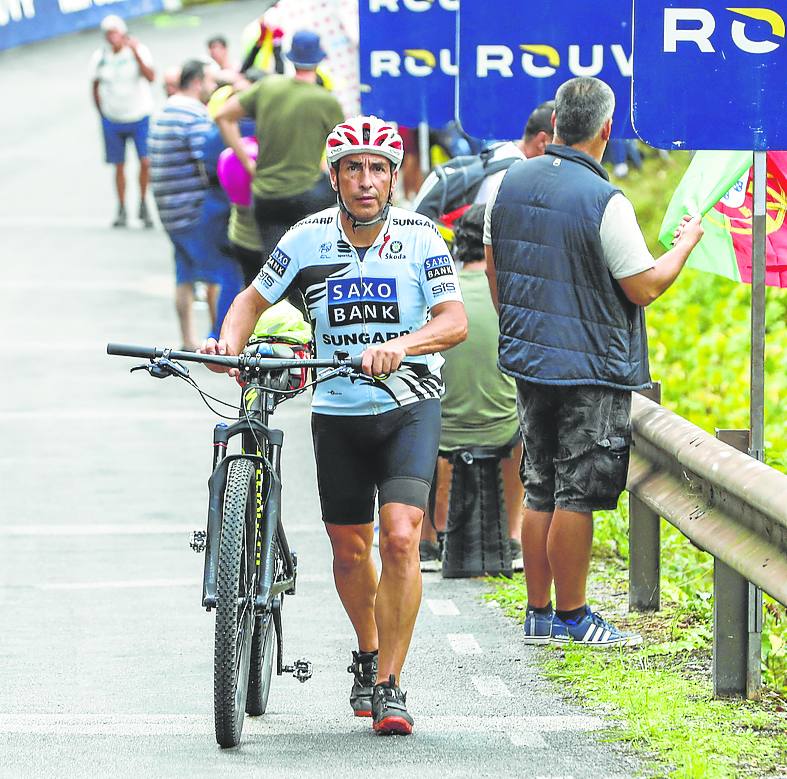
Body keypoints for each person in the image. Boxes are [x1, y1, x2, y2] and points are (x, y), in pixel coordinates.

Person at [201, 116, 467, 734]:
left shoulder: (422, 237)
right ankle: (368, 655)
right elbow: (250, 301)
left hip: (409, 402)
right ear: (336, 176)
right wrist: (227, 343)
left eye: (378, 168)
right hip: (338, 411)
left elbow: (454, 320)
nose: (366, 180)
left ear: (394, 177)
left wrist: (404, 344)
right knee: (349, 550)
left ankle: (392, 684)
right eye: (354, 168)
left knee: (400, 536)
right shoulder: (306, 238)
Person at [485, 77, 704, 647]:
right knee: (575, 493)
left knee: (539, 485)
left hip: (529, 360)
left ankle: (538, 614)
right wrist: (684, 244)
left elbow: (494, 265)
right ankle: (575, 617)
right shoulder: (604, 200)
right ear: (606, 131)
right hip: (591, 370)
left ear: (555, 124)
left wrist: (520, 326)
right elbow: (644, 287)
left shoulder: (509, 181)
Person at [419, 205, 524, 572]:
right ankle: (513, 535)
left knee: (421, 408)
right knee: (523, 419)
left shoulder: (438, 299)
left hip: (443, 432)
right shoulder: (512, 293)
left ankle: (427, 539)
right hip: (502, 429)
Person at [215, 30, 344, 266]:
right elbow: (345, 151)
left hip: (266, 195)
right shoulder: (326, 101)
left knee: (274, 270)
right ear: (318, 60)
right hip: (306, 196)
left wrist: (247, 163)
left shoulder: (268, 87)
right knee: (308, 267)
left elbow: (223, 116)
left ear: (290, 58)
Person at [148, 60, 220, 351]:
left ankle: (188, 340)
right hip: (193, 209)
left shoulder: (164, 109)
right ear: (198, 82)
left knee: (185, 275)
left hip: (169, 210)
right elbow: (208, 157)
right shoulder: (192, 113)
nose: (214, 88)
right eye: (211, 82)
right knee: (216, 274)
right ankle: (218, 342)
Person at [90, 15, 155, 228]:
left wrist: (135, 52)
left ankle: (143, 203)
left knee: (145, 161)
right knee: (119, 165)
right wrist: (101, 112)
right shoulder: (100, 57)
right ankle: (121, 207)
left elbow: (151, 76)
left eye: (115, 32)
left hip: (139, 116)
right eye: (108, 33)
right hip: (113, 118)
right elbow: (94, 85)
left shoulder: (139, 51)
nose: (112, 37)